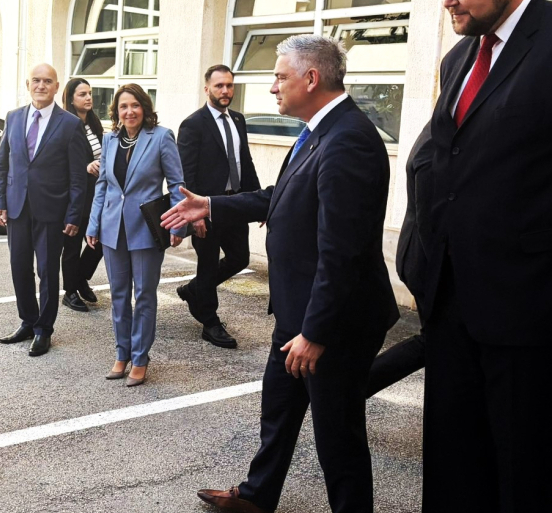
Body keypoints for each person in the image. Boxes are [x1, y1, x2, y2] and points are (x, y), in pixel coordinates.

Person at [163, 35, 397, 513]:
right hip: (298, 313)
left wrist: (315, 332)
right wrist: (210, 203)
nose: (271, 87)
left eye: (279, 76)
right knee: (280, 412)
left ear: (311, 78)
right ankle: (255, 497)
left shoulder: (348, 139)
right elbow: (277, 196)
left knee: (338, 438)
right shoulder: (317, 132)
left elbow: (342, 252)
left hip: (330, 325)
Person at [419, 0, 552, 512]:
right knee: (454, 473)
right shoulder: (458, 60)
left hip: (541, 324)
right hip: (454, 312)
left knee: (528, 482)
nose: (449, 1)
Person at [86, 84, 186, 387]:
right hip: (112, 229)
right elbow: (103, 185)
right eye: (123, 106)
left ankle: (140, 358)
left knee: (143, 295)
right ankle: (122, 353)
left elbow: (177, 184)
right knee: (118, 295)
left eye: (135, 106)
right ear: (116, 111)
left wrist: (178, 225)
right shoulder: (110, 138)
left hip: (146, 229)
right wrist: (93, 225)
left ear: (144, 107)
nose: (129, 112)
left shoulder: (161, 137)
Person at [0, 64, 88, 357]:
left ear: (57, 87)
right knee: (19, 269)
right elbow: (2, 163)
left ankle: (44, 330)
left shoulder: (70, 124)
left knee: (47, 272)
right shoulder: (13, 117)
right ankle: (28, 321)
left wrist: (74, 215)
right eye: (36, 80)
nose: (41, 86)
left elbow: (78, 176)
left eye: (47, 81)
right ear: (28, 83)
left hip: (52, 212)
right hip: (17, 209)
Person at [175, 65, 261, 349]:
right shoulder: (193, 124)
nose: (225, 91)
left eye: (229, 85)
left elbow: (244, 162)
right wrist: (194, 215)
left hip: (234, 204)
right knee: (208, 263)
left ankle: (194, 289)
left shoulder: (238, 119)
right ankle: (209, 321)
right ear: (207, 89)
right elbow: (186, 173)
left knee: (240, 258)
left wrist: (259, 203)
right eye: (219, 86)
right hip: (206, 208)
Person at [365, 122, 431, 397]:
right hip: (424, 259)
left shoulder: (436, 129)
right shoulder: (441, 134)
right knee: (433, 340)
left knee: (436, 341)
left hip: (418, 255)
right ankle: (353, 389)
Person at [61, 77, 104, 312]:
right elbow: (62, 162)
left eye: (89, 93)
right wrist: (86, 167)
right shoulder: (66, 125)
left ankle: (80, 278)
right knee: (72, 244)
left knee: (100, 239)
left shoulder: (94, 123)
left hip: (96, 193)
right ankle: (70, 291)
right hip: (75, 195)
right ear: (70, 99)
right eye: (82, 94)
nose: (88, 98)